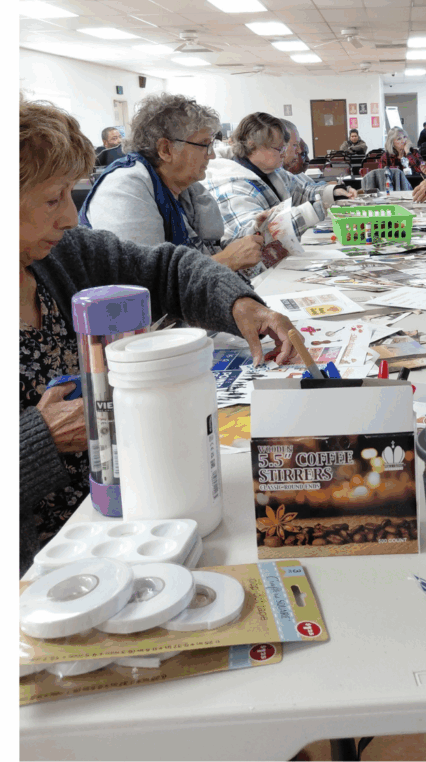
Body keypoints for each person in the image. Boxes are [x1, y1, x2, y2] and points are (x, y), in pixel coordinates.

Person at [21, 102, 312, 568]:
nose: (71, 218)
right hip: (58, 544)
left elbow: (168, 268)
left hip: (132, 494)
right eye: (54, 199)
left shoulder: (62, 254)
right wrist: (40, 436)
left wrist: (242, 305)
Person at [81, 93, 261, 273]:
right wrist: (227, 261)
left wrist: (254, 235)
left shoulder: (184, 188)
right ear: (165, 149)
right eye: (204, 145)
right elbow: (143, 279)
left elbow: (205, 251)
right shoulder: (123, 188)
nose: (212, 155)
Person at [203, 111, 295, 278]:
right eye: (279, 148)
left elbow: (301, 188)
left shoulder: (271, 172)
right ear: (253, 145)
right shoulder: (230, 183)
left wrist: (332, 193)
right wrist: (258, 226)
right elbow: (244, 234)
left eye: (285, 147)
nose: (284, 153)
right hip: (254, 279)